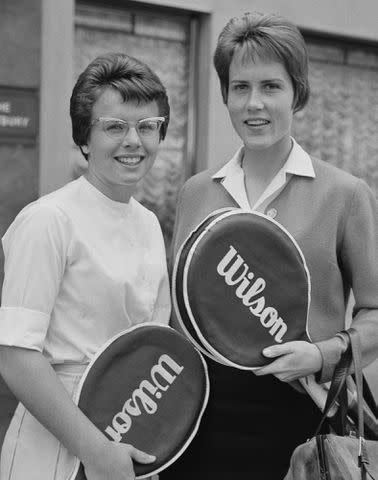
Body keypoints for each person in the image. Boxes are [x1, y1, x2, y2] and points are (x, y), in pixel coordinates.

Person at [160, 11, 378, 479]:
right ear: (225, 95)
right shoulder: (196, 191)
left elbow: (376, 312)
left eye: (270, 86)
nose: (254, 103)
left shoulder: (345, 193)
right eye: (240, 87)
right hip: (201, 413)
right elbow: (179, 315)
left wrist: (322, 354)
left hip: (301, 411)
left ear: (296, 92)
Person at [0, 52, 171, 480]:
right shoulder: (48, 220)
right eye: (115, 127)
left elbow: (155, 341)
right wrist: (95, 451)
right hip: (57, 442)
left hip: (130, 431)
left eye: (148, 127)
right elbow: (16, 355)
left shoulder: (149, 224)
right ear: (85, 138)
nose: (134, 141)